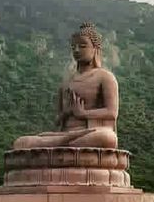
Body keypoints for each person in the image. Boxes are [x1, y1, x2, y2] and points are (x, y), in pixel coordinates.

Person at [12, 22, 118, 150]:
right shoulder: (67, 81)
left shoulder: (105, 77)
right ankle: (65, 144)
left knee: (107, 138)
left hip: (90, 132)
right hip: (65, 134)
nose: (77, 50)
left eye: (83, 46)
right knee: (21, 143)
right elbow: (57, 120)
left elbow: (112, 113)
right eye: (73, 47)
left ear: (95, 49)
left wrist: (83, 113)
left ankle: (60, 147)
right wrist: (66, 112)